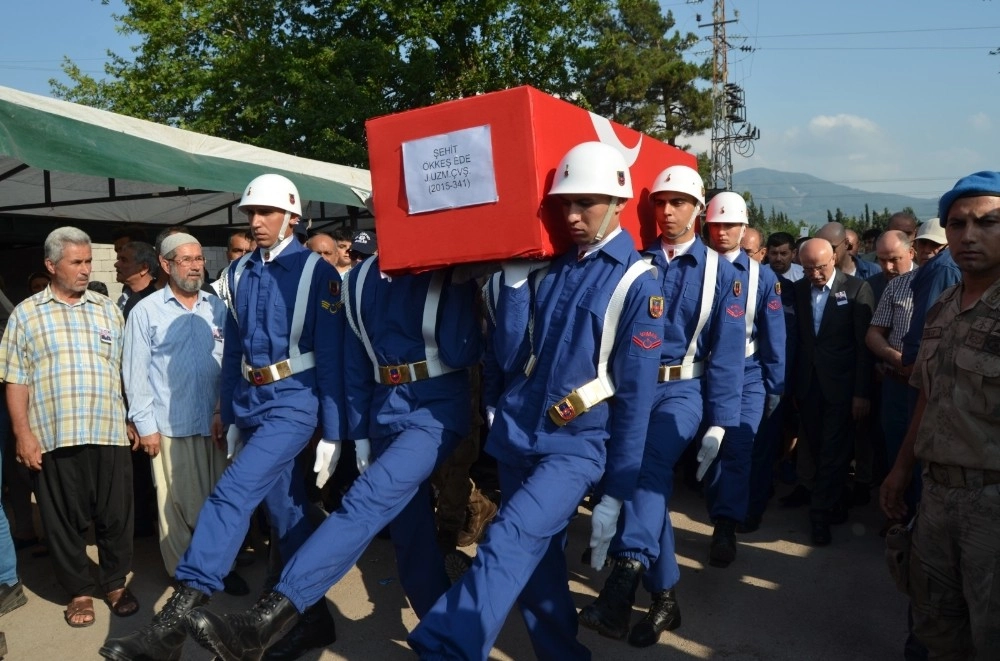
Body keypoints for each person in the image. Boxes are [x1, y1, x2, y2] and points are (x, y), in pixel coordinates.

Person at [406, 141, 662, 659]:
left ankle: (445, 646)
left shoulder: (639, 282)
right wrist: (517, 288)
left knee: (508, 538)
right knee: (540, 569)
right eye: (564, 203)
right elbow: (506, 355)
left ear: (617, 202)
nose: (570, 214)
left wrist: (618, 490)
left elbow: (636, 399)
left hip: (576, 446)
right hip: (519, 436)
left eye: (584, 202)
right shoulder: (551, 268)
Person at [183, 229, 483, 661]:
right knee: (410, 535)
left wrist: (460, 287)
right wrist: (356, 434)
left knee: (364, 503)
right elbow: (356, 365)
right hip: (384, 412)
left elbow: (460, 351)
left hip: (434, 411)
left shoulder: (440, 276)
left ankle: (268, 619)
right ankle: (446, 642)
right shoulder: (358, 280)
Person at [100, 173, 345, 661]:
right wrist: (232, 411)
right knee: (286, 512)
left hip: (295, 401)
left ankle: (170, 626)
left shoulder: (319, 274)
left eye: (266, 213)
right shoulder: (240, 272)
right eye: (251, 214)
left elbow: (335, 355)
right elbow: (234, 348)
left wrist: (335, 430)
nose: (256, 222)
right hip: (253, 404)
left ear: (292, 217)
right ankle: (311, 618)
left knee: (231, 494)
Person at [578, 164, 744, 648]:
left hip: (682, 391)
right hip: (630, 388)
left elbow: (729, 356)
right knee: (635, 480)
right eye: (660, 202)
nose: (667, 212)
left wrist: (720, 423)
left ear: (698, 208)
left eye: (679, 203)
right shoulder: (636, 262)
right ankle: (666, 597)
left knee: (646, 470)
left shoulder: (722, 271)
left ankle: (624, 576)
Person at [881, 171, 1000, 657]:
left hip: (992, 503)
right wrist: (901, 467)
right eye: (958, 224)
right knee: (936, 624)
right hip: (936, 495)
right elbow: (928, 396)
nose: (970, 235)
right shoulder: (944, 307)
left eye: (988, 223)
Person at [1, 227, 136, 628]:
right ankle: (79, 590)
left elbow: (125, 371)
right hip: (54, 436)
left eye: (87, 262)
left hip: (108, 430)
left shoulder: (106, 309)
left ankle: (114, 582)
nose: (84, 270)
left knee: (115, 515)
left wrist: (131, 416)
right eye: (75, 262)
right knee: (63, 520)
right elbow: (15, 379)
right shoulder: (26, 315)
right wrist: (23, 434)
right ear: (50, 265)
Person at [122, 233, 230, 579]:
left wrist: (220, 409)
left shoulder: (217, 308)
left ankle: (216, 567)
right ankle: (186, 576)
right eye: (187, 259)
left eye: (199, 259)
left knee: (217, 503)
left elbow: (229, 364)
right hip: (170, 426)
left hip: (214, 424)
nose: (197, 266)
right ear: (166, 265)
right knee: (178, 507)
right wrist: (146, 426)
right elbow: (134, 373)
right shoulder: (146, 311)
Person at [702, 192, 785, 567]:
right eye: (717, 224)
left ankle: (725, 525)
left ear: (744, 227)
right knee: (705, 449)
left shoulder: (762, 278)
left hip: (746, 373)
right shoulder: (692, 266)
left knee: (737, 447)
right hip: (697, 371)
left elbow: (775, 334)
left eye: (731, 224)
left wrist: (776, 384)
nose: (723, 232)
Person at [791, 238, 874, 545]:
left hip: (842, 387)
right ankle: (833, 501)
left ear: (835, 259)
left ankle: (819, 516)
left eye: (820, 267)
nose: (814, 274)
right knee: (815, 445)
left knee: (834, 450)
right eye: (807, 268)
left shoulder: (855, 289)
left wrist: (861, 393)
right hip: (808, 385)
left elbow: (863, 348)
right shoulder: (798, 291)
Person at [867, 230, 916, 304]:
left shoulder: (926, 282)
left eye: (894, 259)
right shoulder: (870, 286)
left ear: (911, 253)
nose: (888, 267)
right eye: (882, 260)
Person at [115, 241, 158, 320]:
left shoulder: (158, 300)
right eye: (119, 259)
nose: (116, 264)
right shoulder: (124, 297)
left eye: (124, 260)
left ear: (144, 268)